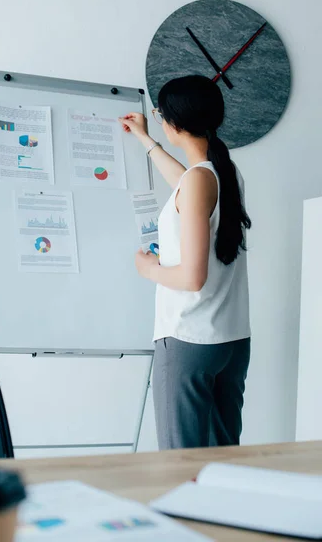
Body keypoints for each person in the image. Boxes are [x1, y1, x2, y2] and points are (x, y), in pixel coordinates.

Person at [119, 75, 251, 449]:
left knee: (179, 462)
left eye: (159, 112)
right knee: (222, 460)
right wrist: (147, 141)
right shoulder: (224, 173)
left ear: (174, 121)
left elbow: (193, 278)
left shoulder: (203, 179)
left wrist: (149, 270)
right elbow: (186, 184)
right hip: (231, 340)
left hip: (189, 339)